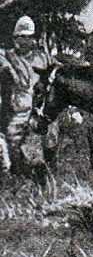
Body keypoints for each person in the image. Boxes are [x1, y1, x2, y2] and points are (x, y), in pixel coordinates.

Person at [0, 16, 52, 180]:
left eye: (28, 36)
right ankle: (18, 179)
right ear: (14, 37)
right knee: (13, 143)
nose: (23, 40)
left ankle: (46, 178)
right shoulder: (5, 58)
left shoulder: (43, 59)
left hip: (40, 110)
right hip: (17, 111)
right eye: (20, 36)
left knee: (50, 141)